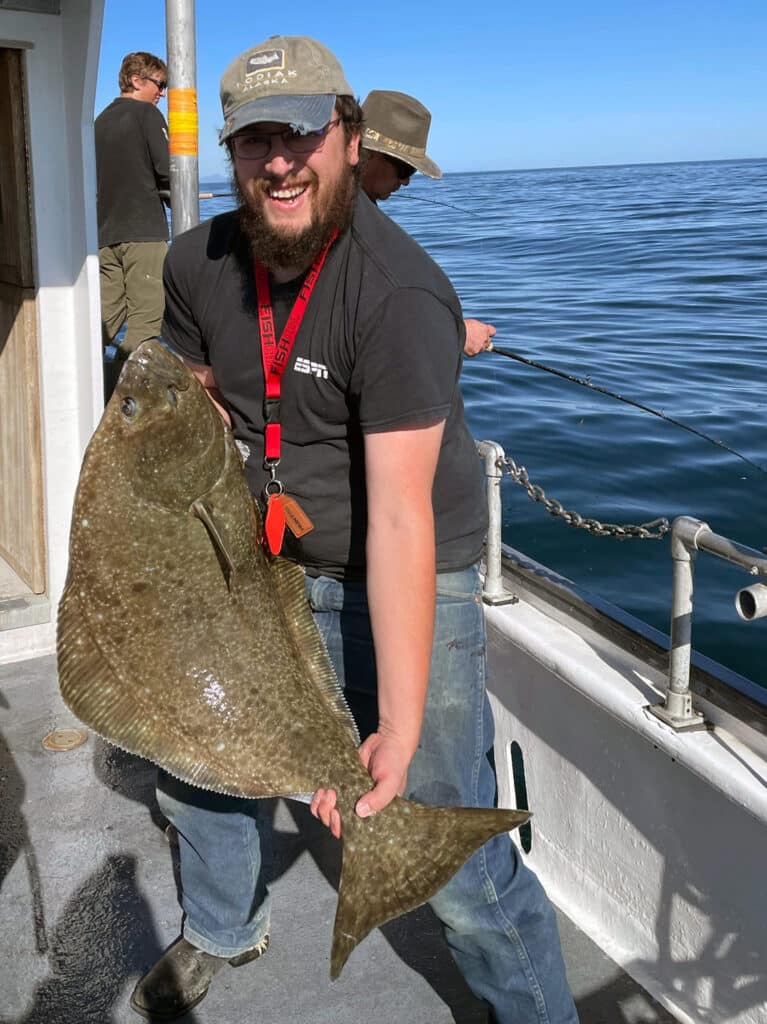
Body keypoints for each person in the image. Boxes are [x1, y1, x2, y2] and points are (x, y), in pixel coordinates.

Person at [129, 35, 578, 1024]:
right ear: (232, 153)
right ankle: (219, 926)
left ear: (343, 134)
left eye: (301, 131)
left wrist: (399, 726)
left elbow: (402, 516)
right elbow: (195, 401)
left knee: (437, 844)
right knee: (202, 762)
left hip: (408, 562)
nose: (279, 158)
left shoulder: (400, 291)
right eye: (255, 138)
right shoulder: (197, 261)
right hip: (262, 554)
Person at [361, 88, 496, 357]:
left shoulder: (352, 210)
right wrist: (457, 334)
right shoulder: (341, 220)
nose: (406, 181)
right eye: (404, 169)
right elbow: (358, 314)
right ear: (366, 152)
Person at [95, 51, 170, 397]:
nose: (163, 92)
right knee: (146, 318)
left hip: (105, 234)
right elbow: (168, 170)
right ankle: (123, 396)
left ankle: (93, 382)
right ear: (137, 80)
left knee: (104, 319)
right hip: (143, 233)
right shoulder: (147, 115)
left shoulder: (99, 121)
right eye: (160, 84)